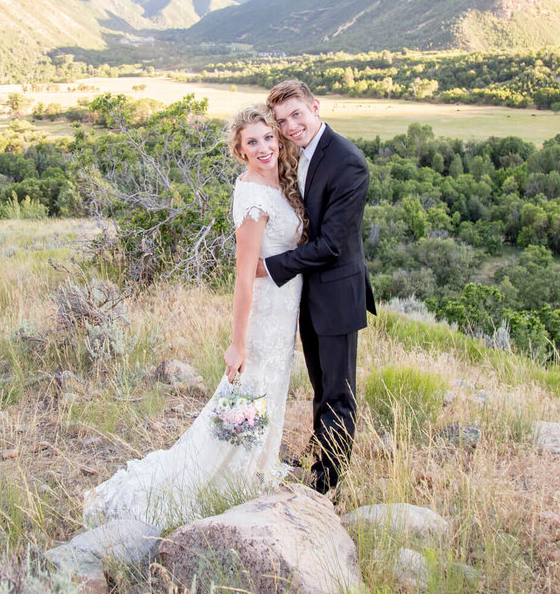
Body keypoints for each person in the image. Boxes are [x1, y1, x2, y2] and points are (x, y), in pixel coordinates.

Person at [81, 105, 307, 530]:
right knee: (247, 394)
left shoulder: (280, 181)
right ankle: (216, 479)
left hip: (284, 311)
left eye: (268, 138)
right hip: (262, 316)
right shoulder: (253, 198)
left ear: (279, 139)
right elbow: (243, 278)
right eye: (251, 142)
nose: (263, 148)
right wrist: (237, 342)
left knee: (270, 392)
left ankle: (253, 469)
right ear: (239, 152)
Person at [259, 79, 375, 494]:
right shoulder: (300, 153)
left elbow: (330, 245)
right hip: (308, 294)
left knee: (337, 394)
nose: (290, 127)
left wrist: (269, 266)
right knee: (320, 386)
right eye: (282, 121)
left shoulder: (348, 162)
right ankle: (320, 462)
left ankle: (328, 486)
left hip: (337, 295)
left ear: (316, 107)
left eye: (297, 115)